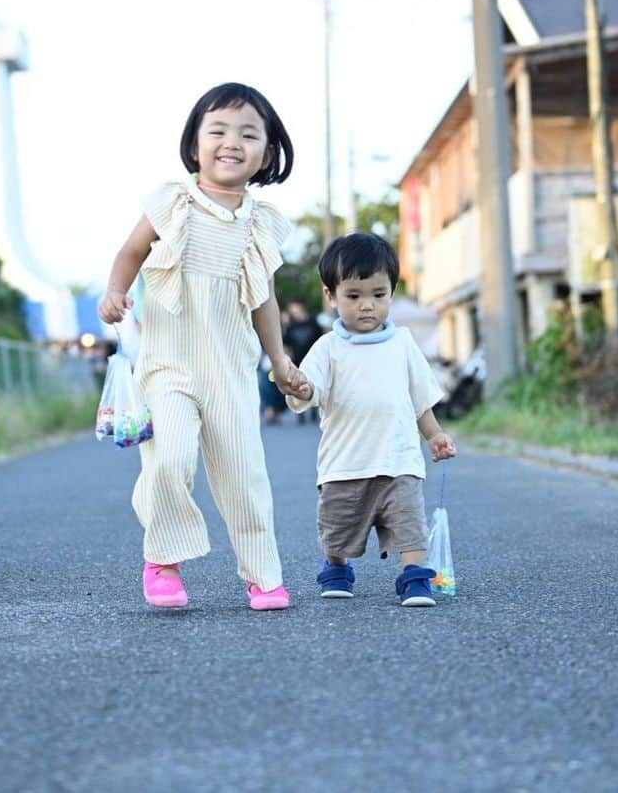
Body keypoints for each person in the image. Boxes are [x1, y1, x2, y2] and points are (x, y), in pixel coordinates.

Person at [99, 82, 307, 612]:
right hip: (168, 364)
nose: (230, 141)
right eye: (217, 130)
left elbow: (263, 300)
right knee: (169, 457)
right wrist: (116, 291)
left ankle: (263, 576)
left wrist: (279, 359)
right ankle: (163, 561)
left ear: (267, 151)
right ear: (195, 145)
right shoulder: (173, 202)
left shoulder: (259, 223)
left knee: (245, 475)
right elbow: (130, 251)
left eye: (248, 133)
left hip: (232, 372)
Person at [284, 232, 457, 607]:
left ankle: (414, 577)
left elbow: (419, 398)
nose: (368, 306)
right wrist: (300, 388)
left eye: (379, 295)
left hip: (399, 460)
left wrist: (434, 434)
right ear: (330, 295)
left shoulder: (403, 342)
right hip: (344, 463)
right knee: (337, 527)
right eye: (354, 296)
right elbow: (311, 389)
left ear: (391, 293)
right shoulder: (328, 347)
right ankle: (337, 566)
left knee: (410, 524)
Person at [282, 300, 324, 424]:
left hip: (314, 360)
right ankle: (301, 414)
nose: (292, 310)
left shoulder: (313, 323)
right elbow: (286, 343)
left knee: (313, 384)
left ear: (301, 306)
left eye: (294, 307)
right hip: (297, 361)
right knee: (299, 386)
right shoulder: (291, 326)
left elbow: (320, 339)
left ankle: (314, 411)